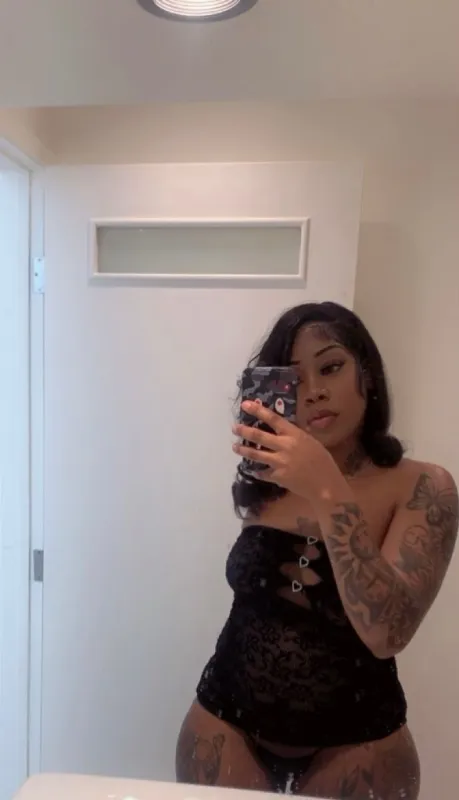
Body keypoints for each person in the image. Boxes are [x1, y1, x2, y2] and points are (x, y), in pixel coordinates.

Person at [175, 302, 458, 799]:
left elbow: (388, 632)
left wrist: (327, 488)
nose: (313, 391)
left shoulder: (423, 487)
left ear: (367, 374)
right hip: (226, 720)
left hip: (359, 740)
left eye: (330, 367)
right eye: (294, 378)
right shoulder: (268, 481)